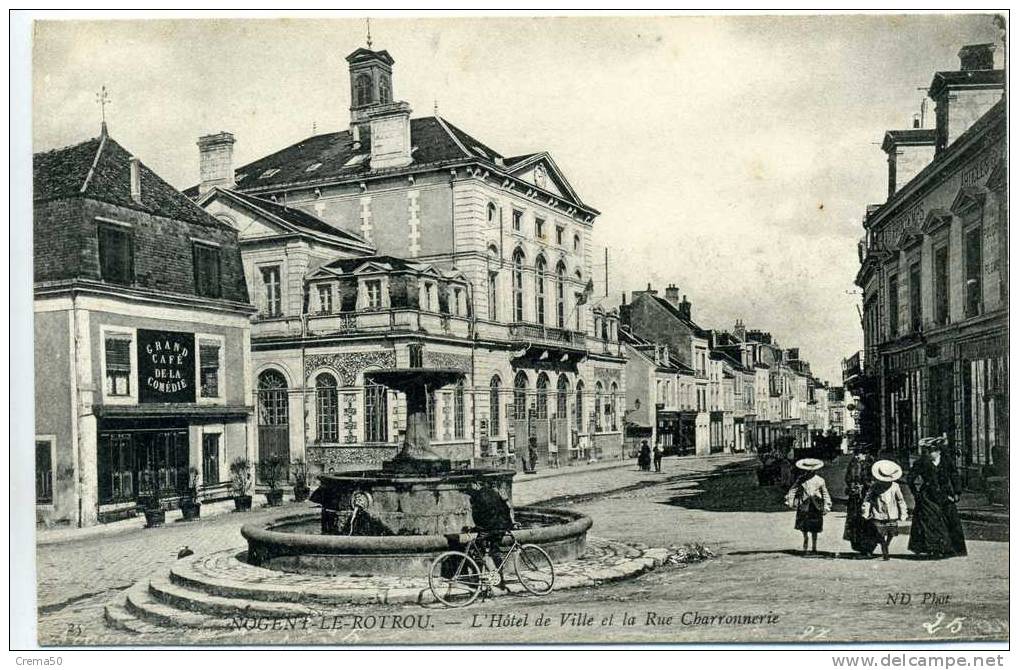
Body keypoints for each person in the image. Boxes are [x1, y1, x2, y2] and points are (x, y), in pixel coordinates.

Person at [907, 437, 967, 558]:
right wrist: (916, 494)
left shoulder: (947, 461)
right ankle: (933, 549)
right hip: (928, 496)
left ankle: (950, 549)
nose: (929, 453)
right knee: (930, 522)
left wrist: (957, 493)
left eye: (932, 451)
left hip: (946, 495)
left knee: (950, 520)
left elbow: (954, 476)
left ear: (939, 451)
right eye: (927, 451)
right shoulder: (921, 462)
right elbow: (910, 479)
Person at [465, 480, 515, 586]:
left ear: (476, 484)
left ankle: (477, 579)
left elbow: (477, 516)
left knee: (477, 551)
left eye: (471, 486)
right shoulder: (494, 492)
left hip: (489, 528)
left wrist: (475, 528)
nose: (471, 490)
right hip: (500, 527)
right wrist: (511, 523)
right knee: (495, 551)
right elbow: (506, 508)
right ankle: (500, 578)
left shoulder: (476, 496)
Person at [862, 460, 910, 560]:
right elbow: (868, 499)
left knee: (891, 533)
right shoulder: (875, 486)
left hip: (892, 515)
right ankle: (884, 549)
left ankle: (886, 545)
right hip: (878, 513)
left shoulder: (895, 486)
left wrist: (903, 513)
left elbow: (900, 500)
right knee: (880, 533)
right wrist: (866, 511)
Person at [785, 458, 832, 555]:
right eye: (807, 470)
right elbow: (793, 490)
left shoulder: (820, 480)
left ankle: (814, 546)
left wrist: (827, 505)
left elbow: (825, 493)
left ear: (815, 470)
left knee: (815, 527)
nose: (809, 472)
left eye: (811, 470)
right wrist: (790, 500)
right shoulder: (801, 479)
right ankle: (805, 539)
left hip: (815, 506)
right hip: (804, 505)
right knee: (804, 526)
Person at [843, 448, 879, 555]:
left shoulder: (871, 464)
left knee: (868, 521)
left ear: (866, 454)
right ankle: (858, 546)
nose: (858, 456)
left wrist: (866, 486)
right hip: (855, 499)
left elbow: (874, 480)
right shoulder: (853, 463)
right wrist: (852, 487)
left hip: (867, 497)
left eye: (861, 453)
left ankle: (869, 547)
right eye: (856, 454)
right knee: (855, 522)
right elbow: (848, 478)